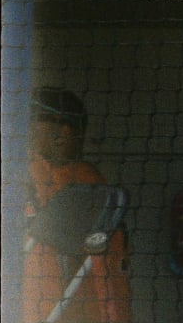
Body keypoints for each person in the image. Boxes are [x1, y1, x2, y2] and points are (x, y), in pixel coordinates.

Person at [25, 88, 132, 323]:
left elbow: (108, 271)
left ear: (63, 132)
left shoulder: (87, 188)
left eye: (33, 119)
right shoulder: (28, 171)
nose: (27, 130)